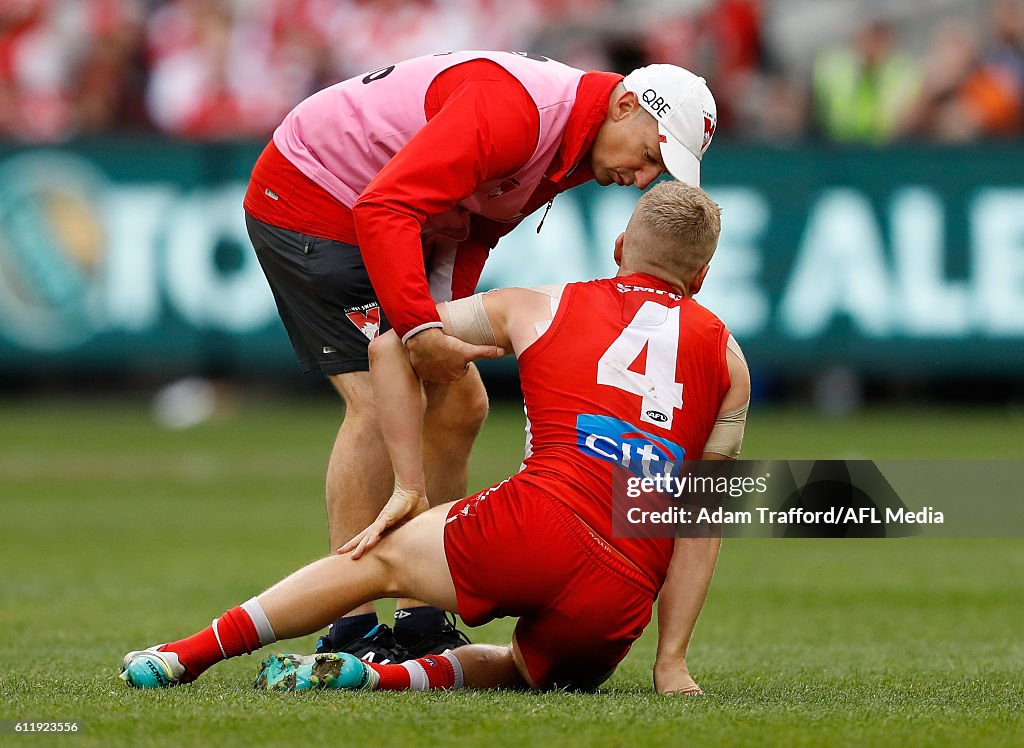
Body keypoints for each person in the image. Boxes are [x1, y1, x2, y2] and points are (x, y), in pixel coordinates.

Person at [121, 181, 749, 694]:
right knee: (523, 670)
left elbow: (394, 338)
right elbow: (700, 523)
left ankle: (186, 655)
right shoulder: (729, 359)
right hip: (624, 581)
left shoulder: (538, 304)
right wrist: (672, 662)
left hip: (537, 522)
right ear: (704, 272)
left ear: (618, 247)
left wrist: (408, 484)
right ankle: (383, 680)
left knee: (378, 561)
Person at [243, 50, 719, 660]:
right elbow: (383, 208)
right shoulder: (519, 112)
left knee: (460, 399)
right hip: (313, 196)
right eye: (650, 156)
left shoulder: (581, 143)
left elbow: (476, 225)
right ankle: (351, 627)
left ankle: (419, 620)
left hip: (389, 210)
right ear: (625, 105)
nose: (645, 177)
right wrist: (419, 331)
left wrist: (447, 321)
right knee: (376, 399)